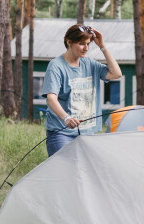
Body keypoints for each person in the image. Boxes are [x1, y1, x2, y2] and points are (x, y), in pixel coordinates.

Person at [42, 23, 122, 156]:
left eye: (88, 44)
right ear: (69, 42)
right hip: (62, 133)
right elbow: (51, 98)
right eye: (81, 44)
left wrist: (102, 46)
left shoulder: (89, 64)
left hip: (87, 133)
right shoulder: (56, 66)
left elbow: (116, 73)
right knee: (64, 173)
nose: (86, 48)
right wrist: (66, 118)